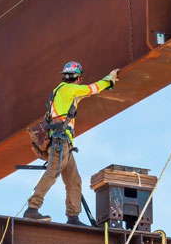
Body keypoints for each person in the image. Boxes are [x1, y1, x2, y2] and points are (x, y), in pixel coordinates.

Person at [23, 61, 119, 225]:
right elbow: (91, 89)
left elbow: (83, 95)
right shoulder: (70, 89)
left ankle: (73, 217)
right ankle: (32, 208)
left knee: (74, 180)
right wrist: (110, 79)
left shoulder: (60, 90)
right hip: (60, 142)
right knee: (52, 172)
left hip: (64, 143)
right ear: (78, 78)